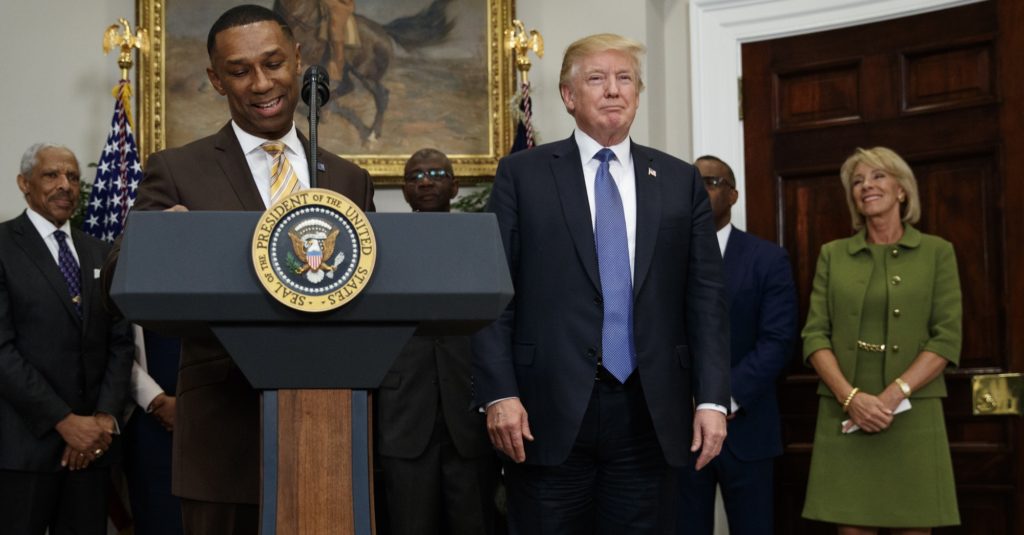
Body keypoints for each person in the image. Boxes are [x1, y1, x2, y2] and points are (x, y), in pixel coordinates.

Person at [105, 5, 375, 533]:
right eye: (239, 70)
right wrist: (162, 245)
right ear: (215, 79)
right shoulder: (178, 170)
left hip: (333, 431)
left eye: (273, 63)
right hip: (224, 435)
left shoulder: (348, 179)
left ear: (298, 60)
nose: (261, 83)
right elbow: (117, 278)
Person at [472, 34, 731, 534]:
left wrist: (712, 399)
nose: (613, 90)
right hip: (543, 412)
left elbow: (706, 301)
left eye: (624, 78)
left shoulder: (678, 180)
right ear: (569, 97)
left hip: (649, 413)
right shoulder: (522, 175)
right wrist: (499, 392)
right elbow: (493, 293)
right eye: (597, 79)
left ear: (637, 93)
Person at [801, 147, 961, 533]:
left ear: (902, 190)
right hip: (845, 413)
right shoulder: (833, 255)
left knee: (915, 525)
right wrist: (852, 400)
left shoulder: (937, 253)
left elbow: (946, 338)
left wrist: (890, 398)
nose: (866, 186)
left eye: (878, 177)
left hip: (913, 414)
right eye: (858, 181)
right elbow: (814, 335)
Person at [0, 143, 133, 534]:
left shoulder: (101, 252)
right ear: (24, 184)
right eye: (51, 175)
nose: (65, 186)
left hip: (92, 449)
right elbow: (2, 352)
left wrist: (103, 420)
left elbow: (121, 342)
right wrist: (63, 421)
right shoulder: (4, 247)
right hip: (24, 449)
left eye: (73, 177)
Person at [375, 148, 501, 535]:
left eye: (435, 173)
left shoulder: (481, 241)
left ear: (456, 186)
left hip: (468, 410)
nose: (425, 181)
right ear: (404, 190)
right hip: (404, 411)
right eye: (415, 176)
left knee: (474, 523)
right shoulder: (381, 246)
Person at [675, 155, 797, 534]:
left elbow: (777, 341)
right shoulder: (663, 256)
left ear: (733, 194)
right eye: (694, 183)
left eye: (711, 182)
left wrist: (720, 399)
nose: (701, 190)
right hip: (680, 429)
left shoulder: (767, 259)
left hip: (747, 428)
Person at [123, 327, 182, 535]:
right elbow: (113, 343)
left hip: (212, 414)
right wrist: (155, 400)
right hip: (146, 419)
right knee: (159, 517)